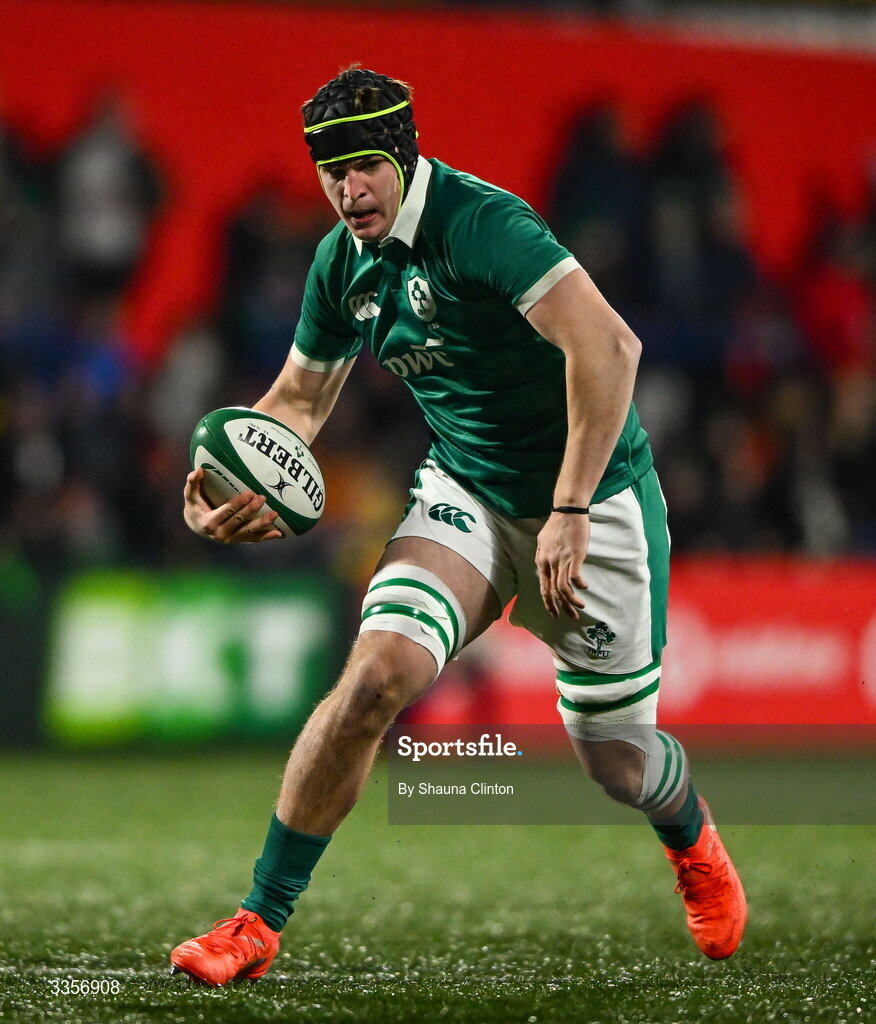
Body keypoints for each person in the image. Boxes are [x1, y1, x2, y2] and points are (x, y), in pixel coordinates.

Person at [172, 68, 746, 986]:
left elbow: (610, 347)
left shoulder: (482, 224)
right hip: (467, 493)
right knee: (372, 682)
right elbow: (298, 401)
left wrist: (569, 508)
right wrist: (223, 480)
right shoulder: (341, 262)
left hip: (595, 500)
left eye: (365, 166)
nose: (348, 190)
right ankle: (256, 921)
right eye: (331, 172)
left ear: (403, 156)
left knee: (618, 763)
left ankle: (690, 837)